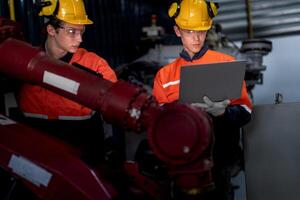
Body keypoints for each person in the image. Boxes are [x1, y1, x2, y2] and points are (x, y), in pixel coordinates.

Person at [152, 0, 252, 199]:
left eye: (202, 31)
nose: (196, 38)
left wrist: (224, 112)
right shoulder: (165, 76)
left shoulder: (226, 64)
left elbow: (246, 113)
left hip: (219, 165)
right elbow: (158, 123)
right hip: (182, 167)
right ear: (177, 31)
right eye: (189, 31)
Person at [17, 0, 117, 164]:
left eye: (81, 31)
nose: (79, 39)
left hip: (83, 159)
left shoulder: (95, 66)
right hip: (38, 158)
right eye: (72, 31)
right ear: (51, 30)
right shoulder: (24, 64)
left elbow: (115, 106)